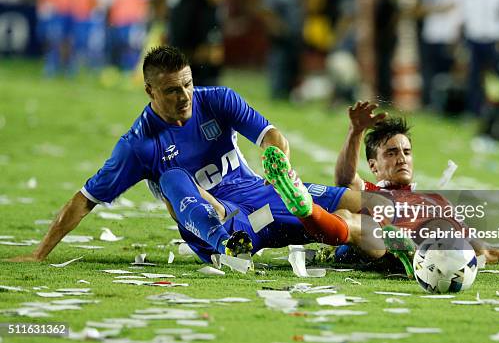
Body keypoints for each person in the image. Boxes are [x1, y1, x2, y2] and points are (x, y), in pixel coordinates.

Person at [8, 46, 393, 264]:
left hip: (259, 195)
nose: (185, 96)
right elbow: (85, 200)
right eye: (173, 90)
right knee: (172, 176)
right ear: (150, 92)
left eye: (188, 84)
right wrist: (39, 254)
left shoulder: (218, 100)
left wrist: (278, 159)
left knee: (368, 206)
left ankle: (391, 245)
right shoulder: (138, 145)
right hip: (216, 220)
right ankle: (223, 239)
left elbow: (270, 134)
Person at [332, 101, 499, 268]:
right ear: (374, 165)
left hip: (426, 258)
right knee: (360, 221)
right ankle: (403, 253)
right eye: (391, 153)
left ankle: (412, 256)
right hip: (371, 248)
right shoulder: (371, 191)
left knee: (464, 239)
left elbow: (487, 253)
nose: (402, 158)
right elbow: (345, 180)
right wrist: (355, 132)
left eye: (406, 152)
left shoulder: (436, 201)